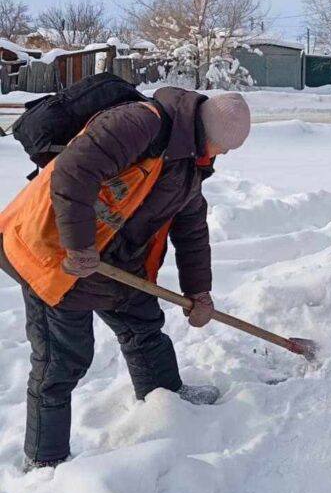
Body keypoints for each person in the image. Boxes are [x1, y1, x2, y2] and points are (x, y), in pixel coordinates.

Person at [0, 88, 252, 471]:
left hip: (111, 258)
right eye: (225, 147)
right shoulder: (140, 123)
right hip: (54, 252)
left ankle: (166, 402)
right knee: (61, 360)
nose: (226, 156)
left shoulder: (189, 163)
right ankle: (44, 458)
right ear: (209, 134)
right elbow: (73, 172)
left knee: (144, 326)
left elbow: (192, 230)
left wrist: (199, 292)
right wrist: (79, 245)